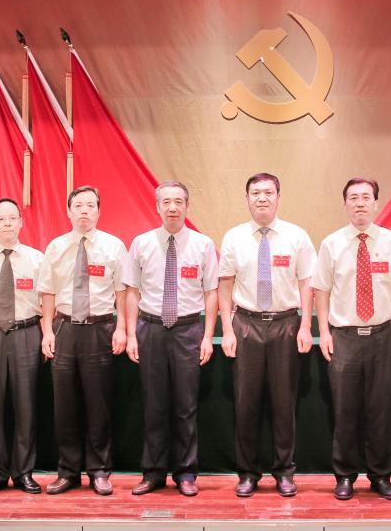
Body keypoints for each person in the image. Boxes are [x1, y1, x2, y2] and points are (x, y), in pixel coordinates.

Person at [311, 178, 391, 501]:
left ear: (375, 203)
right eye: (353, 198)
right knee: (345, 410)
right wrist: (324, 331)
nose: (360, 203)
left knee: (381, 409)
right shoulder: (332, 244)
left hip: (383, 335)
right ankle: (345, 476)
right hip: (345, 338)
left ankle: (381, 476)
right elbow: (321, 290)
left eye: (366, 197)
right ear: (345, 204)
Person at [218, 173, 315, 497]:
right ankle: (247, 473)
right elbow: (225, 285)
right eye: (256, 193)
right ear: (247, 199)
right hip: (246, 324)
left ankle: (284, 472)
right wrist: (227, 330)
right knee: (246, 403)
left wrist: (305, 326)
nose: (262, 198)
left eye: (268, 192)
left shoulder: (296, 236)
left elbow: (307, 283)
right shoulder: (234, 237)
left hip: (286, 324)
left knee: (284, 403)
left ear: (278, 197)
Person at [125, 181, 218, 497]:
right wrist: (131, 334)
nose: (173, 207)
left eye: (178, 201)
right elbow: (132, 291)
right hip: (150, 329)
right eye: (166, 202)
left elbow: (211, 292)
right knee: (154, 405)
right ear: (157, 207)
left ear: (187, 206)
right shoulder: (141, 243)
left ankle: (186, 473)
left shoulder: (203, 245)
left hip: (188, 330)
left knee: (185, 406)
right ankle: (153, 473)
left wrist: (208, 336)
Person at [41, 186, 129, 496]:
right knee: (64, 406)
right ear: (68, 211)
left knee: (98, 404)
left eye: (90, 205)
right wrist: (47, 331)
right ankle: (68, 472)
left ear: (99, 211)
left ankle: (99, 470)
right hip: (64, 328)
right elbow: (48, 293)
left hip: (100, 329)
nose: (84, 211)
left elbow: (122, 292)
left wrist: (122, 329)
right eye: (78, 205)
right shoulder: (55, 247)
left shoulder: (113, 246)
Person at [0, 198, 52, 496]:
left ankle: (24, 471)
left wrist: (46, 334)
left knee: (26, 406)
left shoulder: (37, 259)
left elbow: (47, 300)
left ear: (20, 222)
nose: (6, 223)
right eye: (0, 219)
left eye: (12, 218)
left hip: (26, 333)